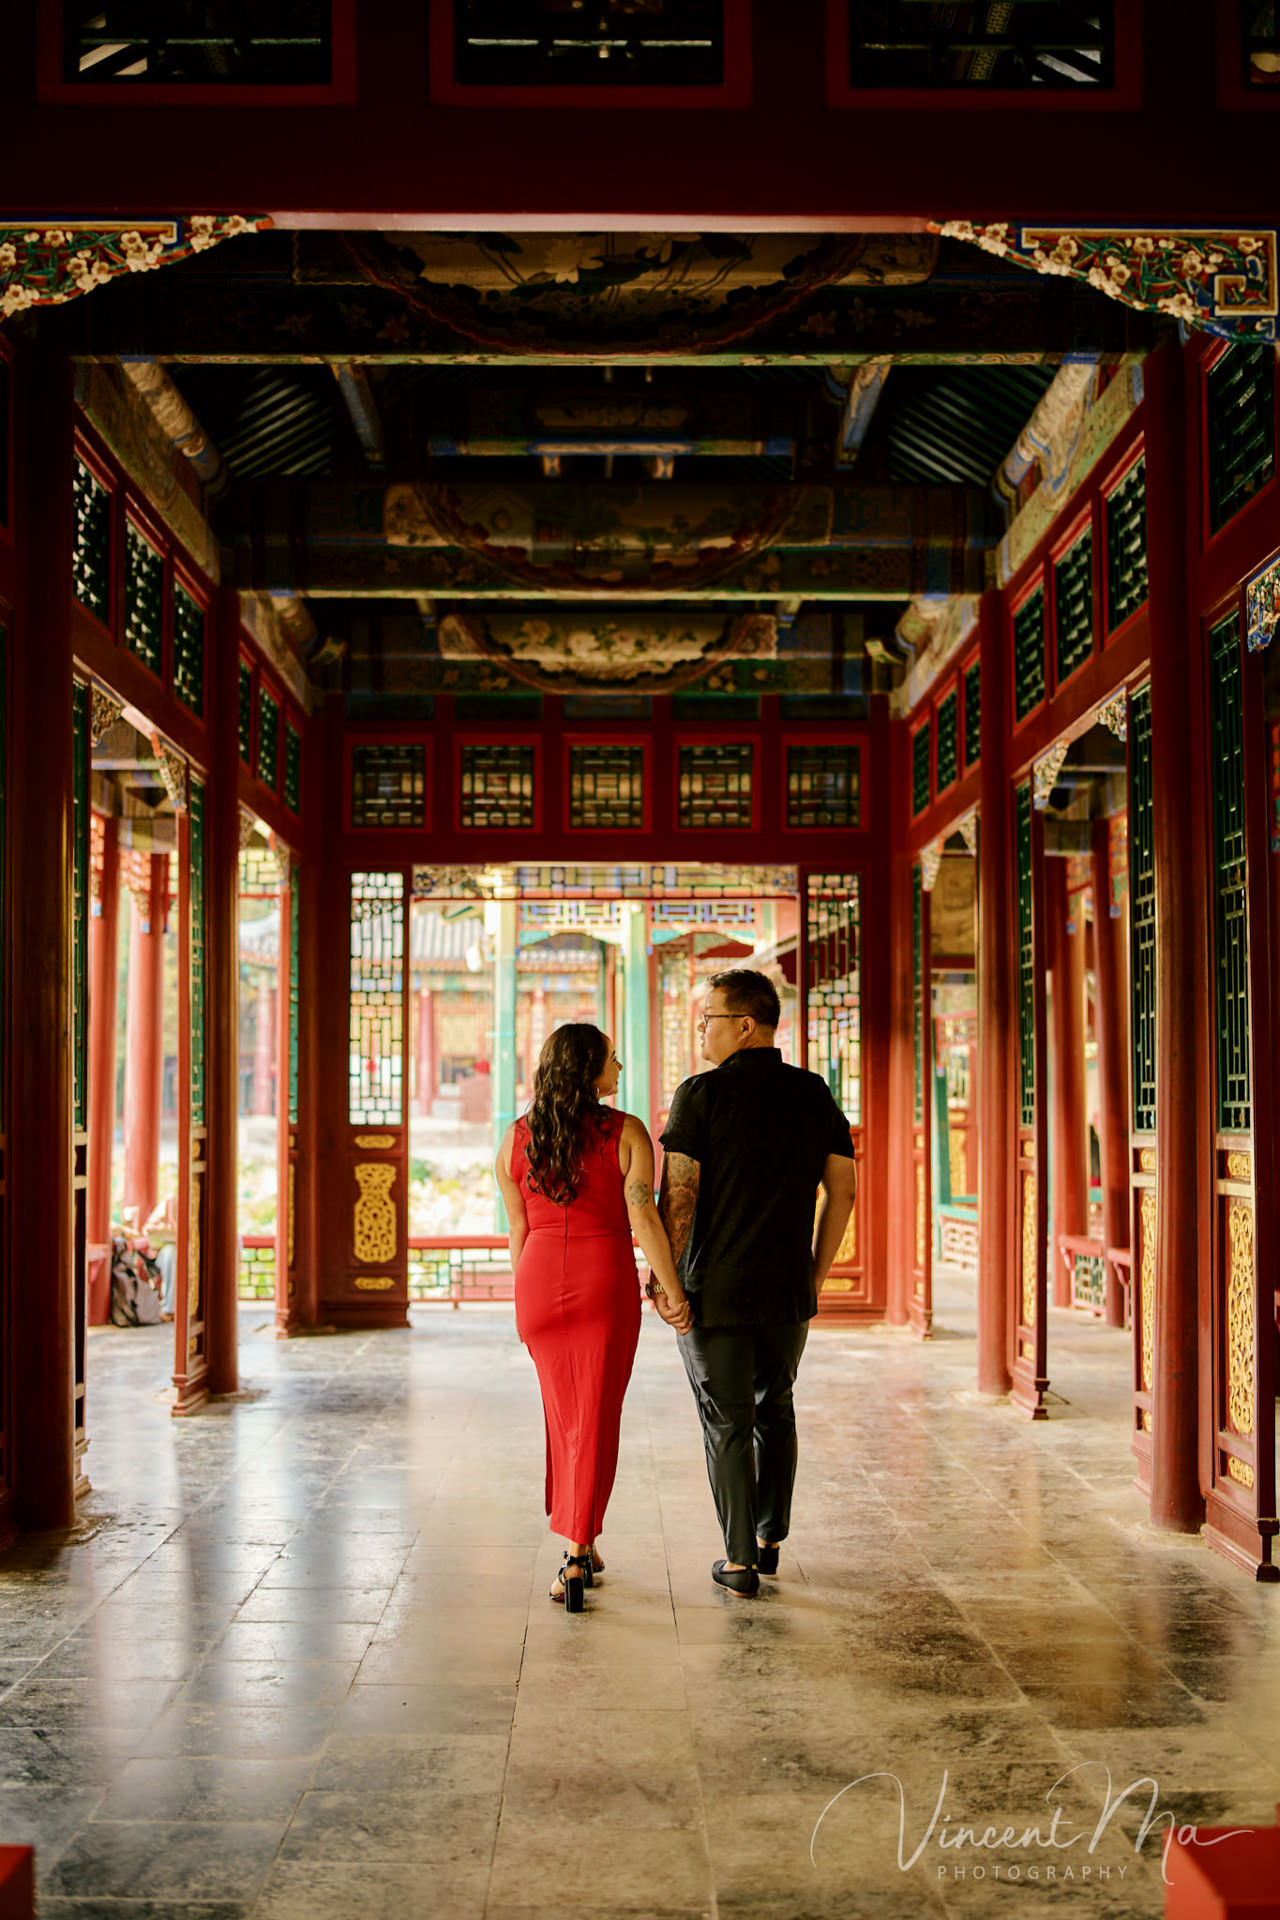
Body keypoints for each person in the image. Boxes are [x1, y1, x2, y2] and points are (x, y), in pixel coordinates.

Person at [657, 969, 857, 1596]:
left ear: (744, 1025)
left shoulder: (700, 1094)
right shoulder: (815, 1093)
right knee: (776, 1408)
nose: (700, 1029)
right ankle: (770, 1539)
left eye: (708, 1017)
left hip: (712, 1290)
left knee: (727, 1420)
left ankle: (738, 1561)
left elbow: (678, 1195)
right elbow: (843, 1191)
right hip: (785, 1291)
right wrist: (814, 1276)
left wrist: (665, 1279)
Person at [496, 1023, 692, 1614]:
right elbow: (644, 1218)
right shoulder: (626, 1131)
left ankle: (584, 1535)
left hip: (535, 1284)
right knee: (597, 1418)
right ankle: (577, 1552)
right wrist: (673, 1293)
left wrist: (525, 1299)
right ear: (588, 1069)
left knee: (565, 1418)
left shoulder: (515, 1137)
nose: (621, 1069)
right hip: (602, 1281)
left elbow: (518, 1231)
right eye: (613, 1059)